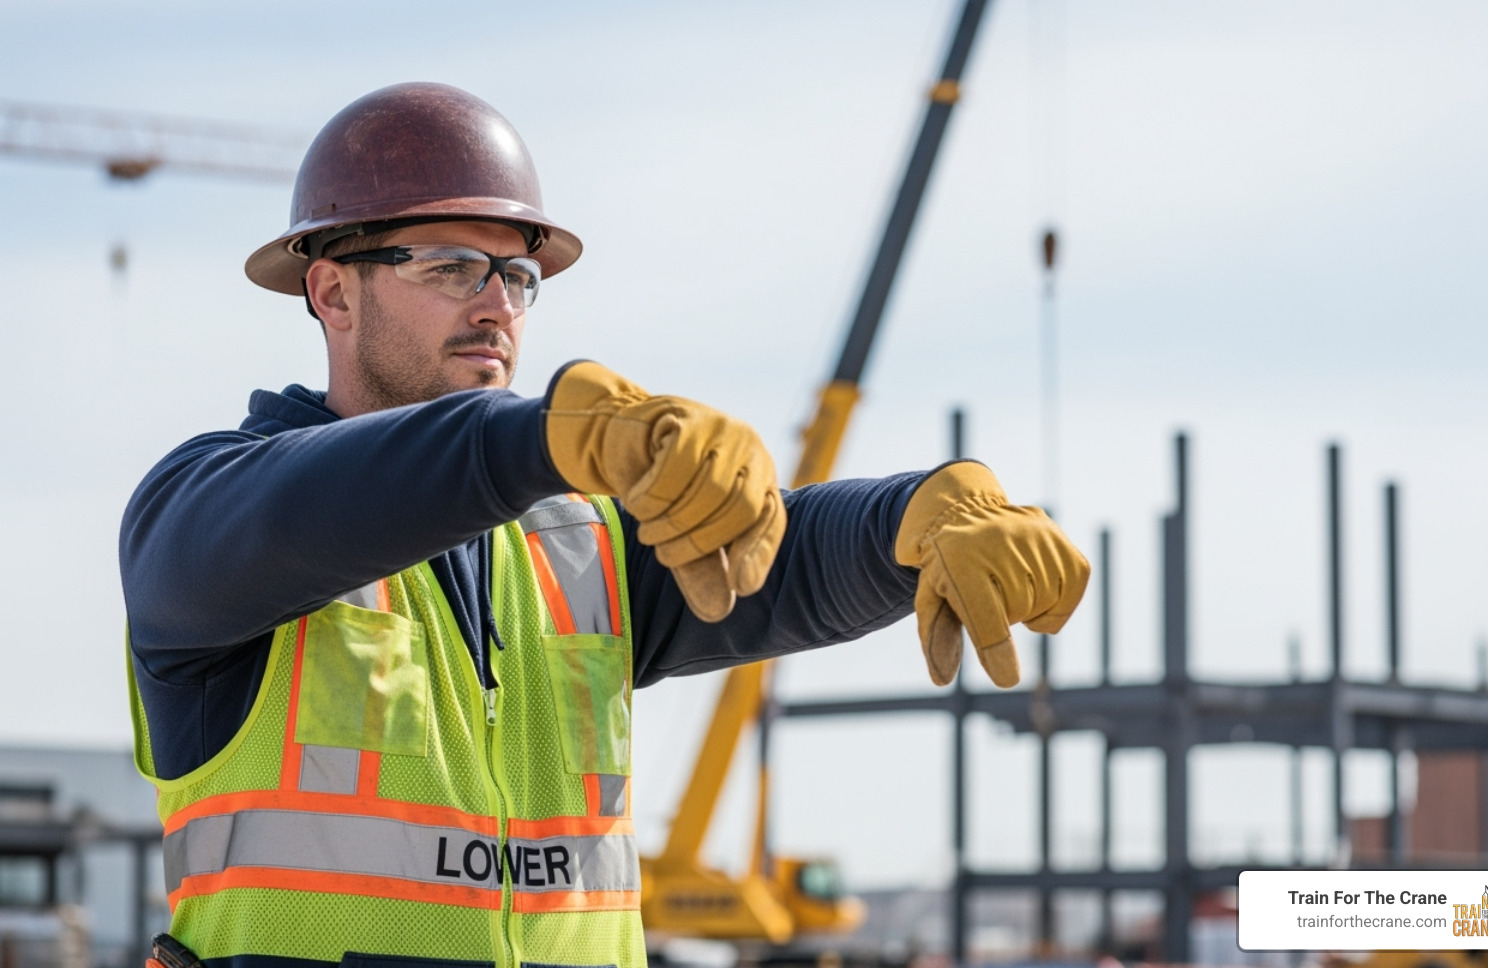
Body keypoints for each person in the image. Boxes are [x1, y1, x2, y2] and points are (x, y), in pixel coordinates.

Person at [120, 82, 1089, 968]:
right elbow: (319, 503)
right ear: (332, 291)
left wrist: (902, 520)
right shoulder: (206, 516)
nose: (496, 305)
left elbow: (773, 555)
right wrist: (535, 435)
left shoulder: (573, 544)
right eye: (452, 267)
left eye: (517, 275)